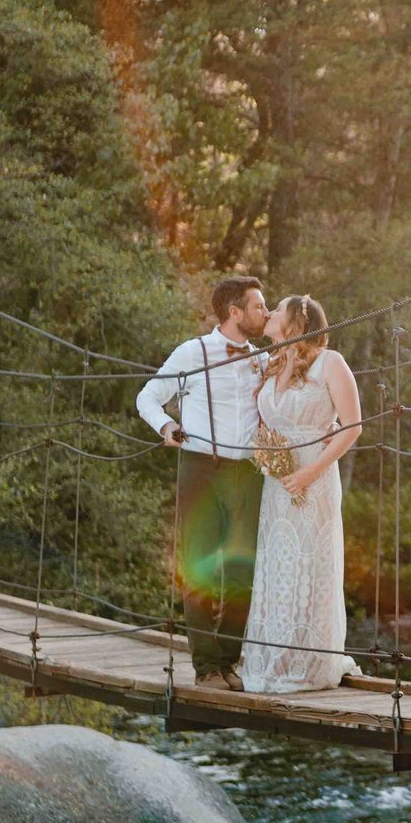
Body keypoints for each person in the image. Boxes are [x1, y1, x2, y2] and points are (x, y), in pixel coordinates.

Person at [136, 276, 270, 682]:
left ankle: (227, 662)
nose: (265, 313)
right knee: (198, 569)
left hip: (248, 473)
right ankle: (206, 667)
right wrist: (165, 427)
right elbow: (147, 397)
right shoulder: (192, 352)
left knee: (242, 573)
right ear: (235, 312)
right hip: (200, 468)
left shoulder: (263, 358)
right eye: (259, 306)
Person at [240, 294, 361, 693]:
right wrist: (268, 458)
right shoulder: (272, 363)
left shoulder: (331, 362)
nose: (269, 314)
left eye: (276, 309)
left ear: (295, 320)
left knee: (310, 562)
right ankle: (278, 656)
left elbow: (352, 427)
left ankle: (311, 662)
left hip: (315, 477)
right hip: (277, 484)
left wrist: (308, 474)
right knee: (279, 566)